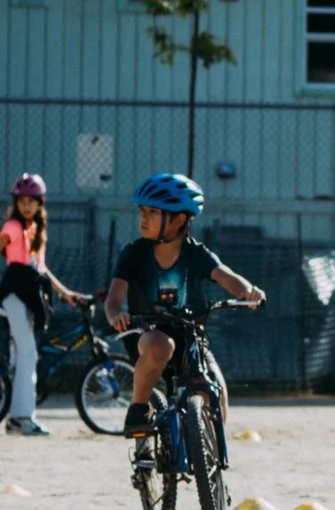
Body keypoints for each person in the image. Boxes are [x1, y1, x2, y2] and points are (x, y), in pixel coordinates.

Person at [103, 173, 264, 438]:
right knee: (160, 345)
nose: (143, 217)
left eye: (153, 212)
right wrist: (116, 315)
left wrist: (249, 291)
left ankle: (207, 463)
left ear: (178, 219)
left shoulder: (196, 253)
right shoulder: (134, 254)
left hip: (190, 335)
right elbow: (113, 300)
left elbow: (226, 276)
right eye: (142, 210)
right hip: (146, 333)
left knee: (217, 395)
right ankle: (138, 408)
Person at [0, 173, 84, 436]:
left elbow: (41, 268)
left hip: (31, 293)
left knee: (22, 356)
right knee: (28, 354)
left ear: (41, 203)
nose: (26, 205)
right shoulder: (13, 228)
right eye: (21, 201)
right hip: (14, 294)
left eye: (32, 201)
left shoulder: (36, 229)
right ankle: (22, 418)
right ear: (15, 202)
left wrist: (65, 293)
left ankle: (16, 417)